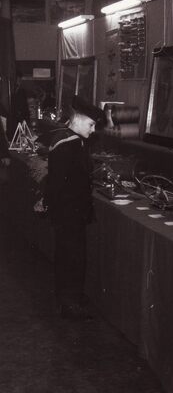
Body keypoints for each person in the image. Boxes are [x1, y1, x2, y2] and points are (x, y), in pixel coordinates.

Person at [44, 97, 104, 319]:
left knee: (72, 255)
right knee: (71, 257)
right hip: (68, 212)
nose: (93, 129)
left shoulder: (71, 140)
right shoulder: (68, 144)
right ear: (77, 119)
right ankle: (68, 303)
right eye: (91, 124)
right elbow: (58, 182)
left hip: (72, 211)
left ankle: (72, 295)